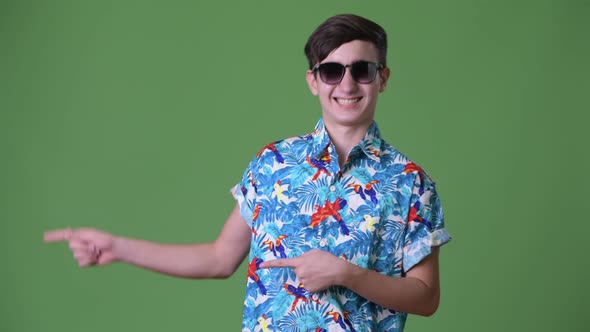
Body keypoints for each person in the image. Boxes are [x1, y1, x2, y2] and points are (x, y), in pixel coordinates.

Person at [44, 14, 451, 332]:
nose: (346, 83)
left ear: (383, 78)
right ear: (313, 81)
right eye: (331, 70)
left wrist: (348, 275)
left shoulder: (412, 183)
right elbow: (220, 257)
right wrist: (117, 247)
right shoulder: (272, 163)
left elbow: (426, 297)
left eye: (361, 69)